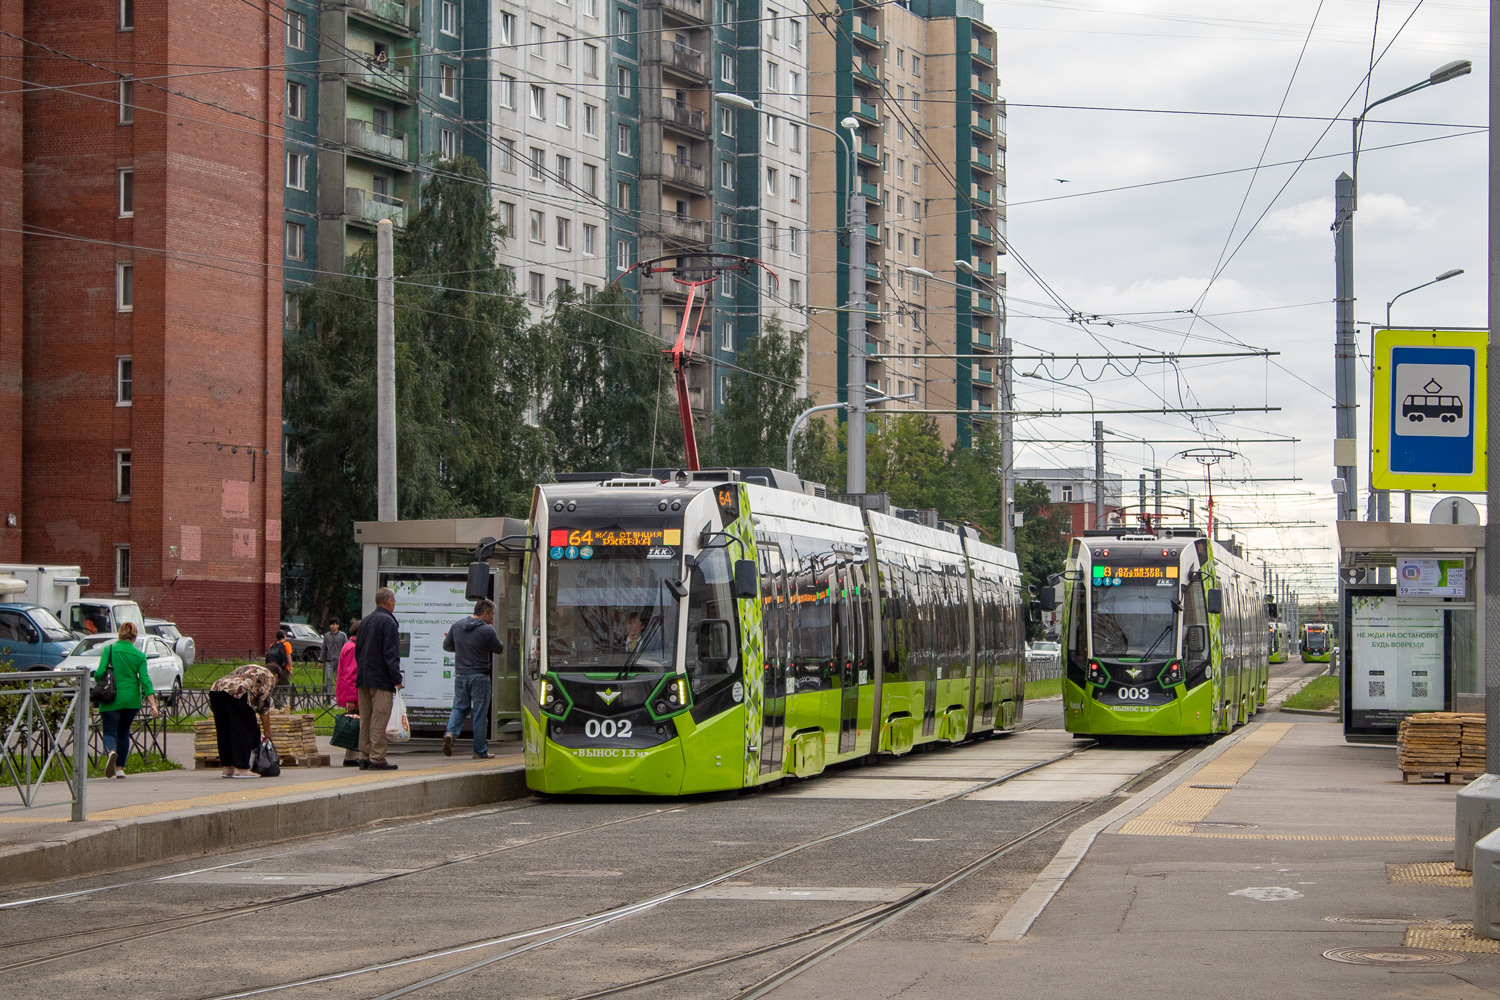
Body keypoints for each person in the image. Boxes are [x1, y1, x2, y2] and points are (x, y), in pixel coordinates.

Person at [442, 599, 504, 760]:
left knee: (459, 707)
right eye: (492, 614)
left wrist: (462, 649)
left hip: (461, 675)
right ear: (485, 613)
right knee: (479, 713)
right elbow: (499, 648)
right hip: (479, 676)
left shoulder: (457, 626)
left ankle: (450, 733)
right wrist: (491, 632)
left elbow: (446, 646)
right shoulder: (487, 630)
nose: (493, 618)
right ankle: (479, 751)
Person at [94, 621, 157, 779]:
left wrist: (97, 677)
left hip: (111, 699)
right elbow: (145, 680)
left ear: (119, 635)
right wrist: (153, 705)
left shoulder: (109, 650)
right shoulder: (139, 655)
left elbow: (100, 673)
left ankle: (111, 751)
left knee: (109, 732)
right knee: (123, 732)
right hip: (131, 700)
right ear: (134, 638)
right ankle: (120, 769)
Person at [354, 587, 402, 771]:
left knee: (366, 718)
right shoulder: (388, 622)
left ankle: (364, 756)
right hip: (381, 678)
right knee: (379, 718)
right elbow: (390, 653)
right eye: (394, 601)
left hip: (363, 677)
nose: (394, 604)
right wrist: (396, 677)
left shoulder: (365, 621)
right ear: (389, 601)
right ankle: (377, 757)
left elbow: (358, 650)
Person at [208, 664, 277, 778]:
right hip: (238, 691)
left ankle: (228, 767)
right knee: (244, 730)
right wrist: (267, 731)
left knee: (224, 730)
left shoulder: (250, 668)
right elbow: (263, 707)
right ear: (276, 675)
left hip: (216, 689)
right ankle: (241, 768)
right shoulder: (269, 676)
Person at [335, 621, 361, 766]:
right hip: (353, 694)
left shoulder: (348, 645)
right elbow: (351, 674)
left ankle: (351, 756)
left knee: (354, 723)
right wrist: (351, 698)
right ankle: (351, 757)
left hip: (349, 693)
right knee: (355, 724)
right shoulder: (352, 648)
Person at [321, 619, 347, 694]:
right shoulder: (327, 636)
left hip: (340, 661)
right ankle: (329, 694)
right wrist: (321, 660)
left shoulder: (342, 635)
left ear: (337, 625)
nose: (332, 626)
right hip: (329, 660)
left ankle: (340, 693)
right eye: (331, 625)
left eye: (334, 624)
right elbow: (324, 648)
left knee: (340, 678)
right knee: (329, 678)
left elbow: (346, 647)